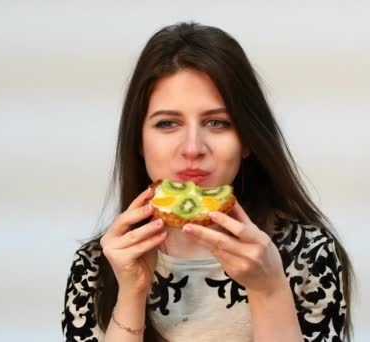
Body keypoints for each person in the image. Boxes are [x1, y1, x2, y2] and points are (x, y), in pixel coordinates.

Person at [62, 21, 353, 342]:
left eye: (217, 122)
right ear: (138, 143)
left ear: (247, 141)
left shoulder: (308, 253)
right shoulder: (97, 267)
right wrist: (131, 292)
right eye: (168, 123)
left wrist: (269, 288)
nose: (192, 148)